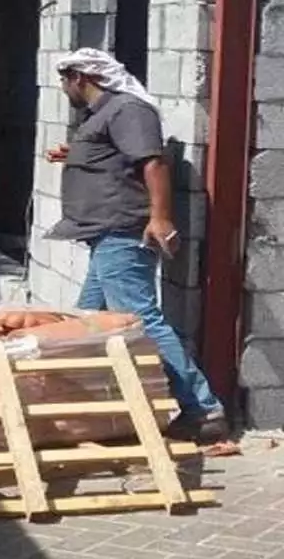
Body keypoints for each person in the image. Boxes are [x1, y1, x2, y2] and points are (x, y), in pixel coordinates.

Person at [44, 48, 228, 444]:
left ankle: (203, 409)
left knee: (140, 319)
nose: (62, 88)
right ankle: (98, 410)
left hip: (122, 233)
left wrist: (160, 218)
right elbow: (117, 156)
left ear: (79, 77)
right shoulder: (103, 115)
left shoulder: (127, 109)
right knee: (91, 321)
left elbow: (153, 163)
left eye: (63, 80)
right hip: (104, 234)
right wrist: (75, 155)